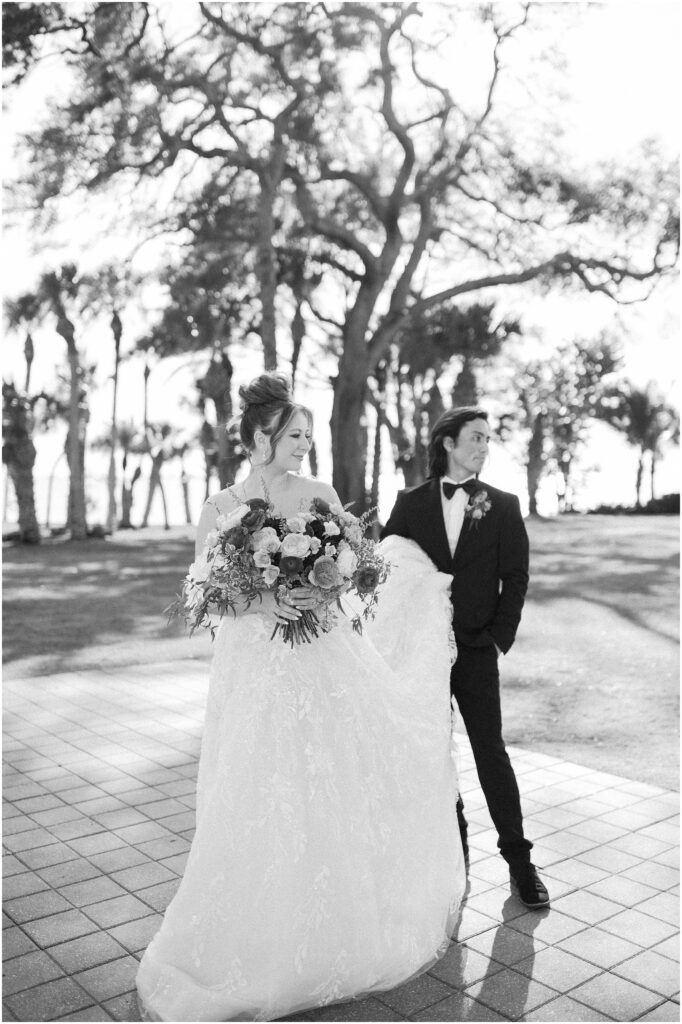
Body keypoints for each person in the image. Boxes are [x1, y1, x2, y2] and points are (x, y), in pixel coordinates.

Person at [136, 372, 466, 1023]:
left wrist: (318, 590)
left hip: (319, 659)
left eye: (309, 435)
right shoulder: (219, 505)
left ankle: (335, 923)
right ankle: (256, 929)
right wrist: (267, 596)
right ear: (261, 435)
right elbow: (207, 594)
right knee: (255, 782)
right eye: (294, 434)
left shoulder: (318, 494)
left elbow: (356, 574)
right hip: (253, 665)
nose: (304, 444)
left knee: (325, 778)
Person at [381, 407, 550, 910]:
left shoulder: (502, 504)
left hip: (477, 650)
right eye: (475, 437)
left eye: (487, 439)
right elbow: (385, 566)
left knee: (489, 753)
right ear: (448, 442)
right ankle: (454, 846)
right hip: (424, 653)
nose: (483, 446)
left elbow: (516, 576)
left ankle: (520, 863)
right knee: (433, 750)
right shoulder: (409, 502)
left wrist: (499, 636)